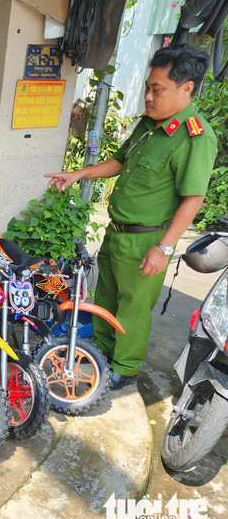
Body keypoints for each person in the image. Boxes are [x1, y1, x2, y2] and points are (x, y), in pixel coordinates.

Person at [45, 44, 217, 390]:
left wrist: (165, 248)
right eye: (147, 88)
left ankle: (124, 367)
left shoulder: (195, 138)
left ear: (186, 89)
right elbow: (120, 162)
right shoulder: (150, 125)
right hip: (117, 233)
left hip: (147, 240)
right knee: (106, 297)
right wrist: (80, 174)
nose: (148, 97)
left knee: (134, 309)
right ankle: (103, 353)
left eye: (157, 89)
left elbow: (193, 198)